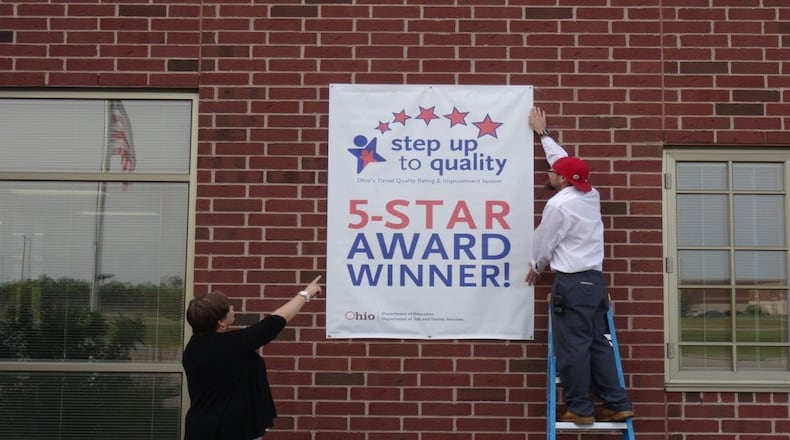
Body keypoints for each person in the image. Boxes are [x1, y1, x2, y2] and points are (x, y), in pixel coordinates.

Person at [525, 107, 634, 425]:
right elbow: (565, 162)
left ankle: (581, 408)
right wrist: (543, 135)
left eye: (553, 172)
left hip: (571, 285)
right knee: (601, 343)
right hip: (595, 284)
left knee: (573, 347)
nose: (550, 173)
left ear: (561, 179)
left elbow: (545, 240)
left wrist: (538, 265)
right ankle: (617, 402)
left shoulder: (558, 205)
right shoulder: (590, 194)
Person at [182, 275, 323, 440]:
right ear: (220, 323)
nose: (233, 308)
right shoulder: (228, 346)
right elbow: (274, 322)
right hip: (226, 431)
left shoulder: (194, 347)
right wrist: (306, 294)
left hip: (203, 428)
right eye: (228, 308)